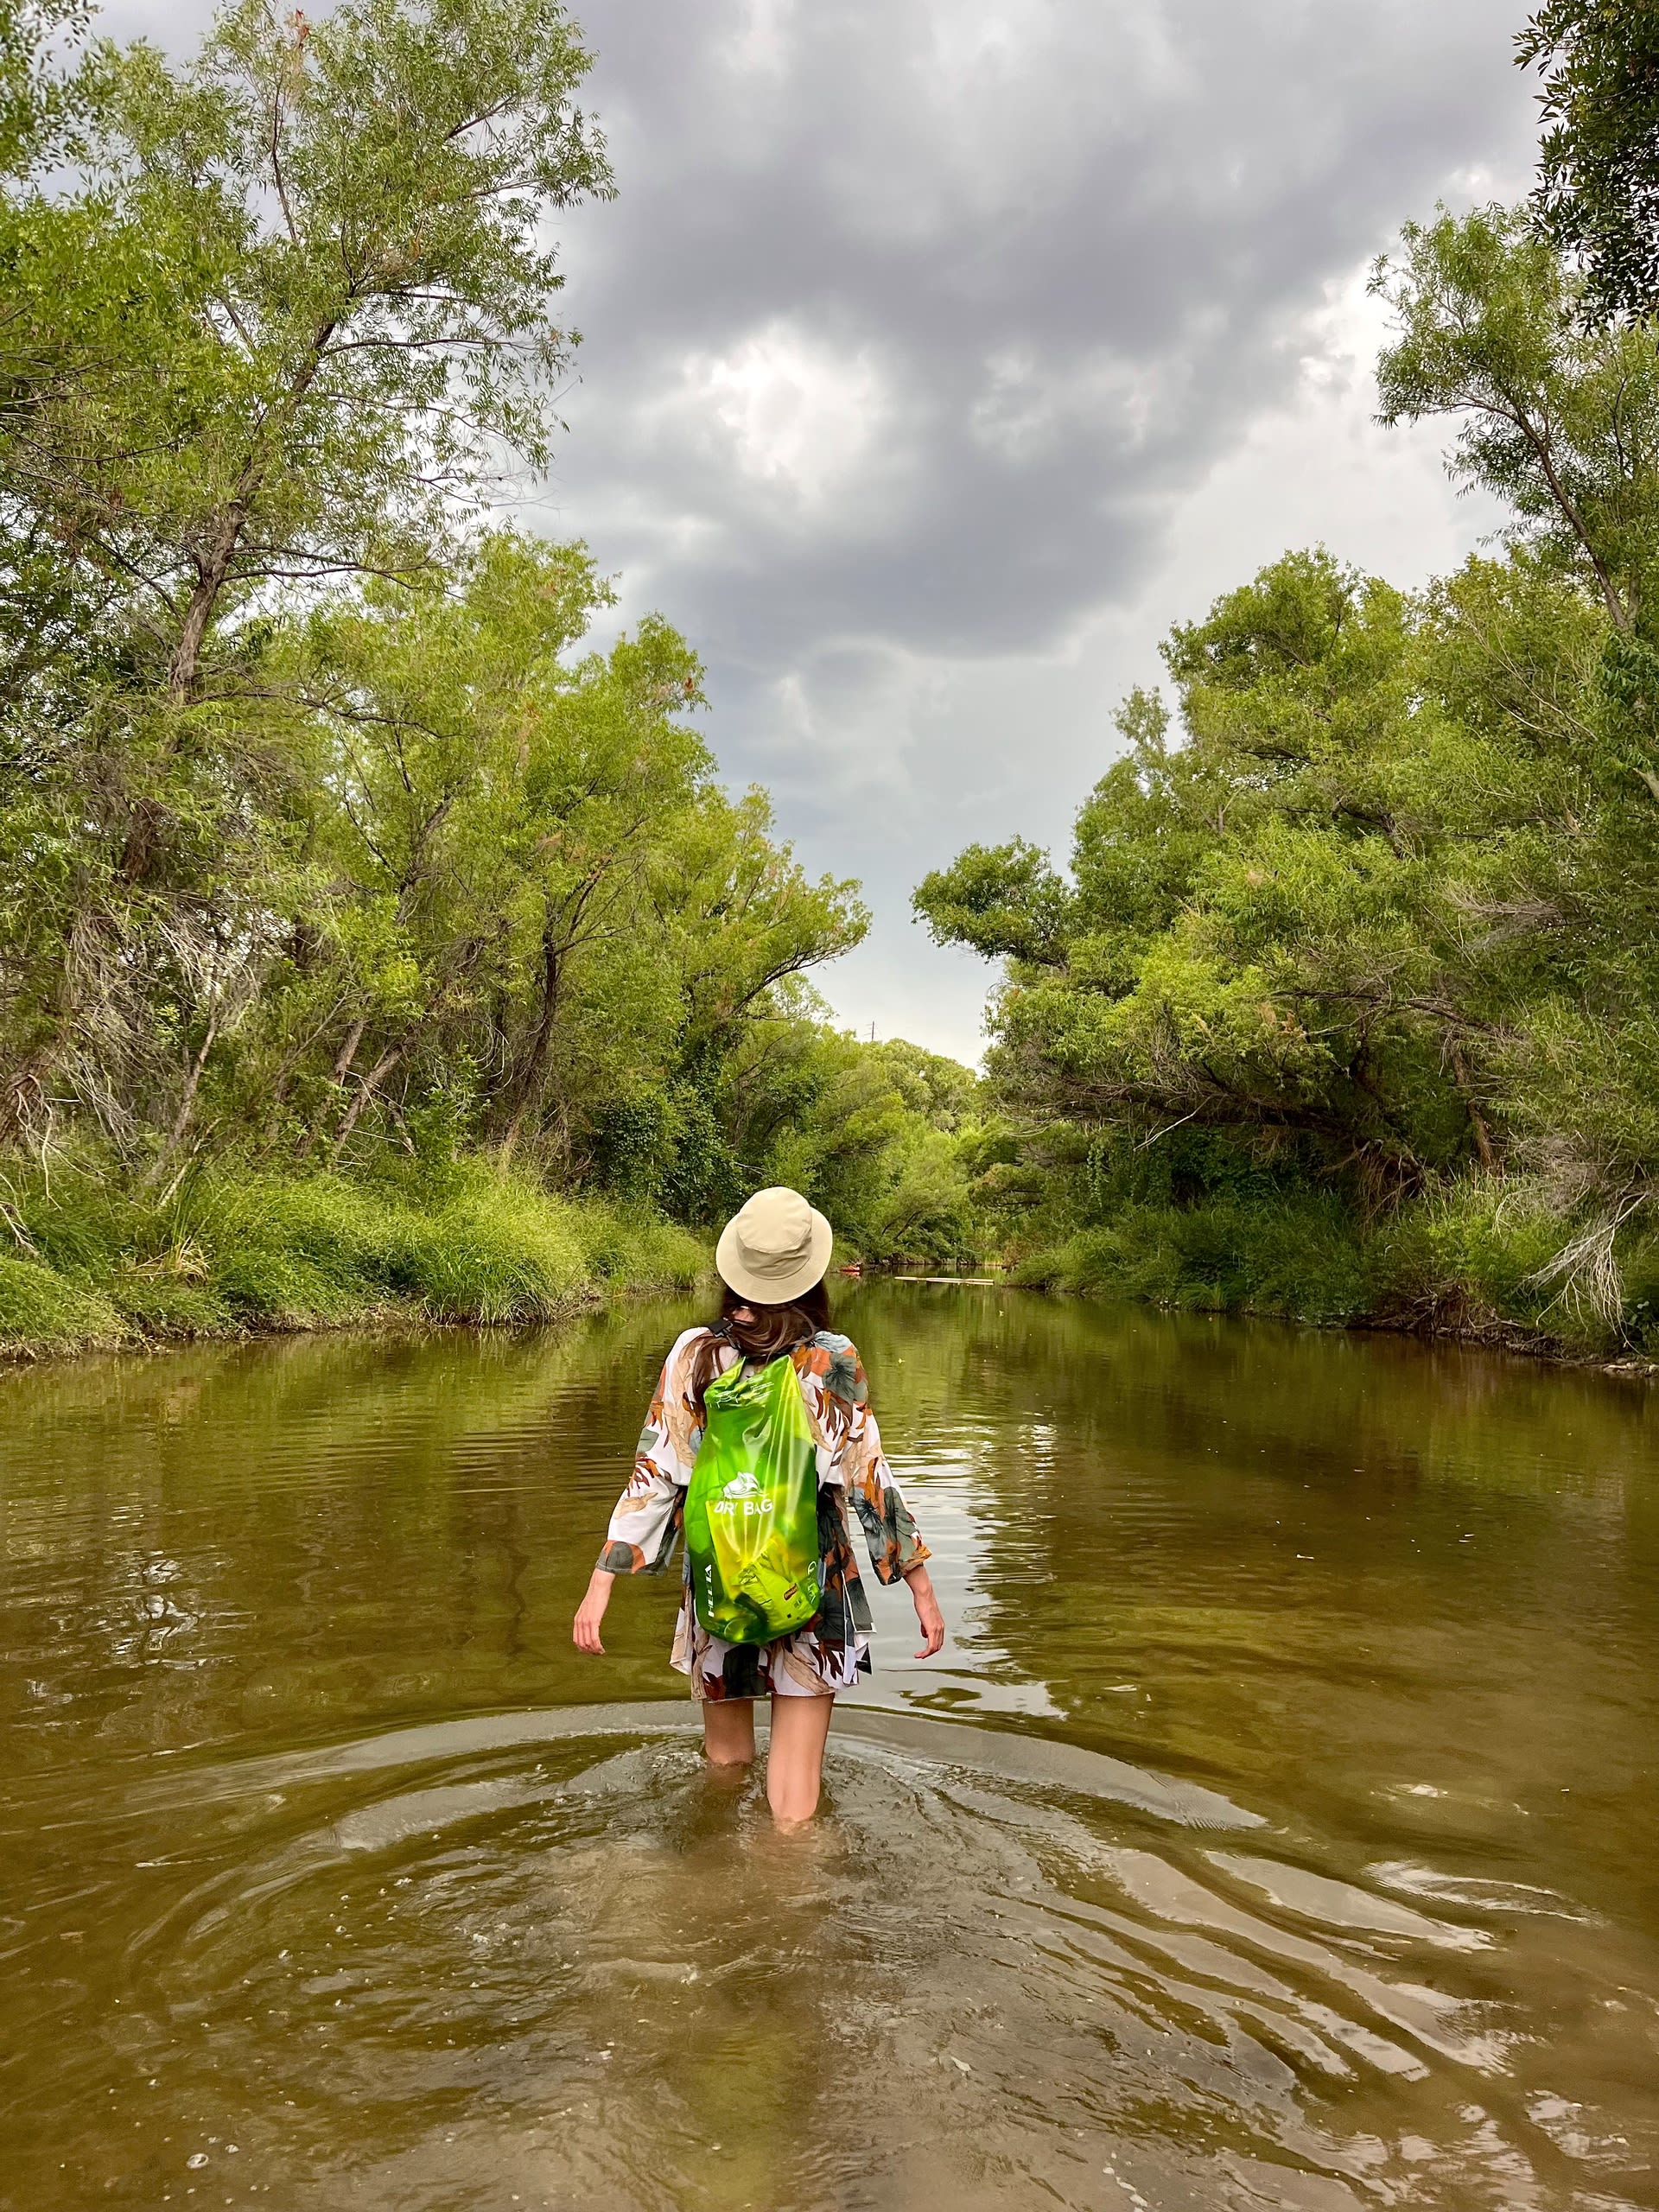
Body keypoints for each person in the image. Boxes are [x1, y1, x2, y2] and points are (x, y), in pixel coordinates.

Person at [573, 1185, 946, 1824]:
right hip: (813, 1576)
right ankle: (787, 1876)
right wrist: (920, 1587)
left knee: (724, 1765)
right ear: (811, 1274)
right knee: (795, 1788)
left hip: (721, 1571)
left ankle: (715, 1863)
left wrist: (603, 1578)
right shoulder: (830, 1360)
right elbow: (868, 1477)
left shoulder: (695, 1354)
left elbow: (656, 1470)